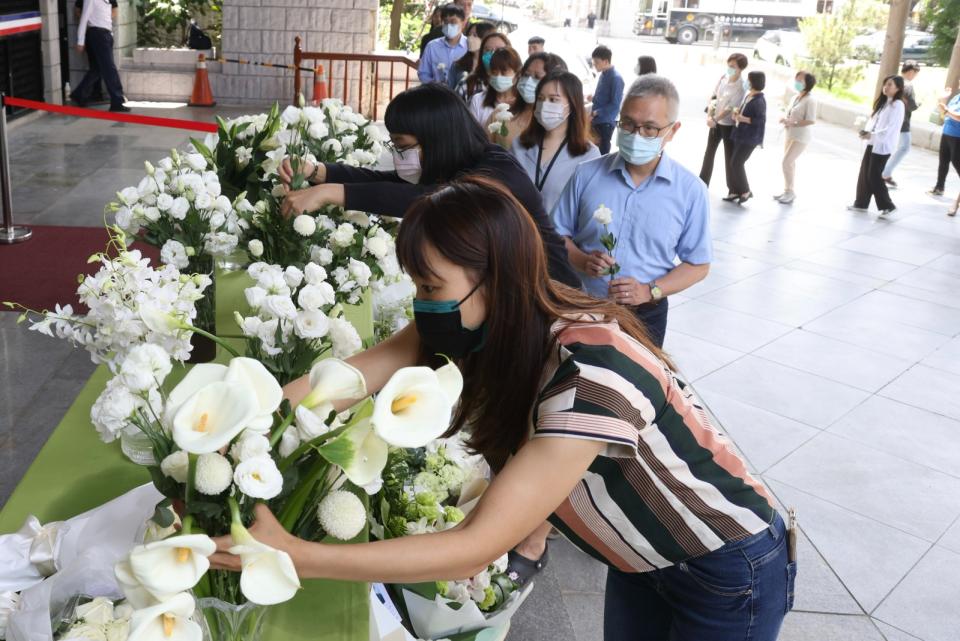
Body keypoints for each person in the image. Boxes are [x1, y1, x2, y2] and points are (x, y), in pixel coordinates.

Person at [212, 177, 794, 641]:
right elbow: (349, 378)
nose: (421, 304)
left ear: (496, 279)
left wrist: (296, 557)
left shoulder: (592, 372)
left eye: (431, 286)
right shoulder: (486, 324)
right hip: (641, 556)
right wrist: (245, 421)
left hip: (726, 566)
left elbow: (477, 546)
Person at [278, 83, 580, 288]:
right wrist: (320, 173)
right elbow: (389, 183)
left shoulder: (495, 170)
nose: (398, 156)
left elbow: (434, 199)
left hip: (553, 296)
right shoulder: (455, 166)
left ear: (437, 139)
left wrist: (331, 193)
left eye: (403, 146)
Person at [552, 75, 712, 348]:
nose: (635, 135)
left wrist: (650, 291)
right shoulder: (587, 175)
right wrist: (581, 260)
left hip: (645, 314)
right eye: (627, 123)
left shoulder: (690, 191)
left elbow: (698, 264)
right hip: (581, 304)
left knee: (636, 387)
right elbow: (555, 236)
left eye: (649, 128)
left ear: (672, 131)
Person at [511, 71, 600, 212]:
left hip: (559, 234)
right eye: (540, 98)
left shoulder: (589, 155)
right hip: (518, 230)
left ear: (572, 104)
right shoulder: (519, 145)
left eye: (553, 100)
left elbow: (589, 209)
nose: (544, 105)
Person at [847, 75, 905, 217]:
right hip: (873, 143)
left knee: (873, 175)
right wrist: (866, 133)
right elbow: (875, 123)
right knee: (864, 173)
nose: (886, 87)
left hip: (883, 146)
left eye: (890, 85)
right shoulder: (884, 103)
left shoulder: (898, 105)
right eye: (885, 84)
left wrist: (872, 135)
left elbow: (890, 128)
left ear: (898, 88)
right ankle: (861, 203)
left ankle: (888, 206)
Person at [699, 53, 748, 190]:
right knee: (709, 152)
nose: (730, 68)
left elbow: (731, 106)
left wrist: (715, 118)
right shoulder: (723, 78)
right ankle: (702, 182)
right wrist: (710, 116)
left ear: (741, 68)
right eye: (729, 65)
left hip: (728, 125)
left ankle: (733, 189)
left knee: (729, 157)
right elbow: (714, 96)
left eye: (733, 66)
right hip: (714, 123)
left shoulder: (742, 86)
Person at [72, 0, 129, 112]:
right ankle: (117, 101)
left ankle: (79, 94)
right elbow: (83, 19)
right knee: (110, 69)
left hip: (105, 35)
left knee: (97, 69)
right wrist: (80, 41)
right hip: (97, 35)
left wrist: (110, 35)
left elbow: (107, 17)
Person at [469, 47, 529, 147]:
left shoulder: (523, 104)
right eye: (494, 72)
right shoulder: (478, 100)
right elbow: (471, 135)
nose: (498, 77)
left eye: (504, 72)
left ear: (517, 74)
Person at [774, 71, 817, 205]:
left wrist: (794, 123)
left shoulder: (811, 100)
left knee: (786, 162)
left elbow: (811, 120)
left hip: (801, 136)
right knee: (790, 163)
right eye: (796, 79)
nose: (797, 82)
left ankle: (790, 193)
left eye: (800, 80)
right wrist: (785, 119)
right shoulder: (796, 97)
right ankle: (787, 190)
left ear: (807, 84)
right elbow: (792, 114)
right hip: (790, 133)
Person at [726, 71, 766, 204]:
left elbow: (759, 121)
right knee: (734, 163)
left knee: (736, 163)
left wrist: (743, 118)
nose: (746, 82)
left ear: (754, 82)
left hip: (750, 138)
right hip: (740, 135)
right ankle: (737, 191)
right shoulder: (750, 95)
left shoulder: (759, 100)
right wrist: (737, 115)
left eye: (748, 80)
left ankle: (746, 191)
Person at [882, 61, 920, 189]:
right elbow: (912, 105)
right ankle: (885, 173)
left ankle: (884, 172)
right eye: (916, 73)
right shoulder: (908, 85)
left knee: (888, 144)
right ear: (912, 71)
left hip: (889, 118)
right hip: (903, 122)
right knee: (904, 147)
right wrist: (918, 104)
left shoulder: (893, 81)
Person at [587, 45, 624, 155]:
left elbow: (615, 104)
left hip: (606, 121)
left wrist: (597, 112)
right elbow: (603, 97)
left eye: (597, 62)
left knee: (602, 151)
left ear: (606, 61)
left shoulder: (616, 78)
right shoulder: (603, 74)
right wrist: (592, 98)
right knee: (593, 148)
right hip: (596, 119)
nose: (594, 65)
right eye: (593, 62)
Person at [417, 4, 468, 84]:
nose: (448, 26)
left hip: (461, 94)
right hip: (437, 94)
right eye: (445, 22)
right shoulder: (432, 46)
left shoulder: (469, 46)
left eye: (453, 22)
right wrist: (434, 84)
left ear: (463, 23)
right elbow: (423, 73)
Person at [448, 21, 496, 97]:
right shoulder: (458, 65)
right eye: (469, 35)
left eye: (475, 35)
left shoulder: (493, 65)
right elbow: (450, 90)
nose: (470, 38)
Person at [461, 31, 512, 102]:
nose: (493, 54)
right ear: (481, 54)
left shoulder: (517, 85)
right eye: (487, 50)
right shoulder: (467, 85)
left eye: (499, 50)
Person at [928, 87, 960, 198]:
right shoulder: (956, 97)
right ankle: (939, 187)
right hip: (947, 133)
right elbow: (944, 113)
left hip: (958, 136)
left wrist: (946, 111)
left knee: (957, 162)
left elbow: (958, 117)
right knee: (943, 161)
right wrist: (941, 99)